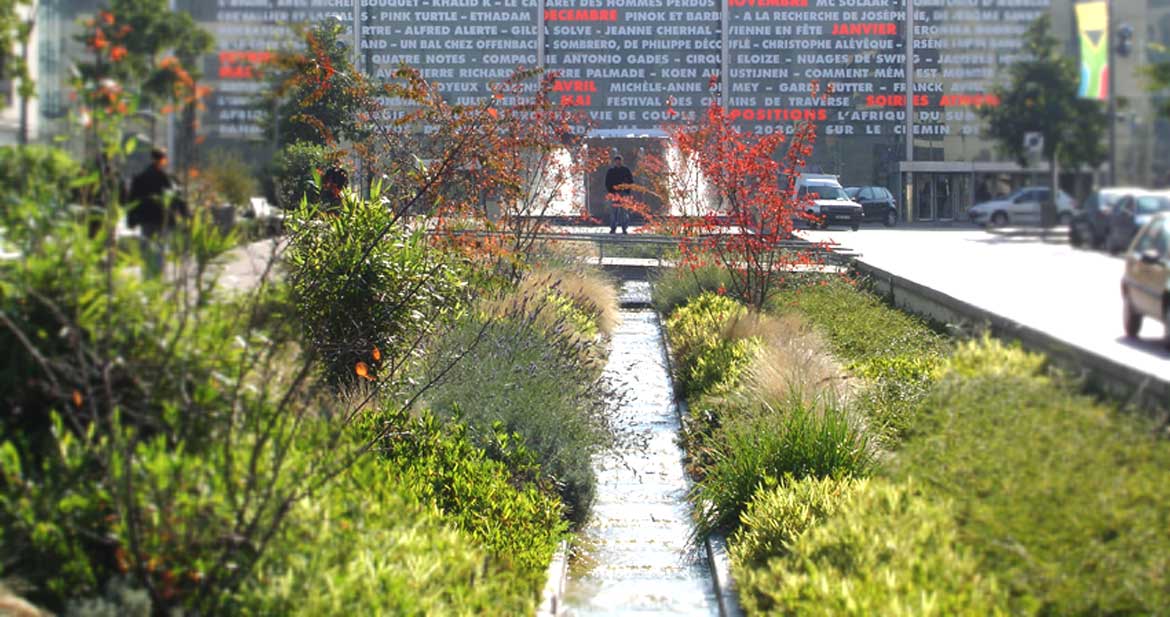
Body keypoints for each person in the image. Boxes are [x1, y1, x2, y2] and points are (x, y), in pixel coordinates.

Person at [127, 147, 187, 278]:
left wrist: (131, 220)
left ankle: (147, 276)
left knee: (147, 247)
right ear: (164, 160)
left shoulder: (140, 177)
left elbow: (132, 199)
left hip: (146, 219)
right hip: (163, 219)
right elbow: (178, 198)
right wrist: (185, 215)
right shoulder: (168, 179)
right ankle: (158, 277)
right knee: (160, 248)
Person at [605, 154, 634, 234]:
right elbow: (607, 182)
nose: (618, 162)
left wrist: (627, 191)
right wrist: (611, 191)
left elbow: (630, 181)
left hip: (623, 193)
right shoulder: (611, 171)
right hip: (614, 194)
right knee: (614, 212)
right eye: (617, 161)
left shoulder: (626, 170)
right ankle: (613, 228)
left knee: (624, 212)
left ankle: (624, 228)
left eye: (619, 161)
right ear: (614, 162)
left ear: (621, 161)